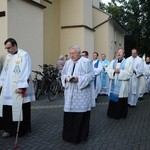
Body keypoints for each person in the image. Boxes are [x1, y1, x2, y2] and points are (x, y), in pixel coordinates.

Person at [0, 38, 35, 137]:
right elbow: (5, 71)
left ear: (15, 45)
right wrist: (1, 83)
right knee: (6, 108)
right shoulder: (8, 56)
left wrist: (21, 87)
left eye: (9, 48)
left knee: (19, 108)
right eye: (6, 48)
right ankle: (8, 129)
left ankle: (20, 130)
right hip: (7, 88)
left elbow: (26, 71)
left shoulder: (24, 55)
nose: (7, 50)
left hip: (18, 87)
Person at [61, 45, 95, 144]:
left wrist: (78, 79)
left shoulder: (86, 62)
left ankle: (80, 137)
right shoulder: (67, 63)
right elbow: (63, 74)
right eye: (70, 53)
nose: (71, 55)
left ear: (79, 53)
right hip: (69, 93)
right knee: (69, 115)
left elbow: (91, 75)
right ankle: (68, 136)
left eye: (73, 53)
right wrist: (66, 78)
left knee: (80, 115)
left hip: (82, 94)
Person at [106, 48, 132, 119]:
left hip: (123, 85)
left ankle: (121, 115)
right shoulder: (113, 62)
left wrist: (120, 71)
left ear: (124, 54)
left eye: (121, 52)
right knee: (113, 99)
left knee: (121, 99)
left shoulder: (127, 62)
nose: (119, 54)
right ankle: (112, 114)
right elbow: (108, 70)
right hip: (114, 84)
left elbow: (129, 73)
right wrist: (114, 71)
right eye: (118, 52)